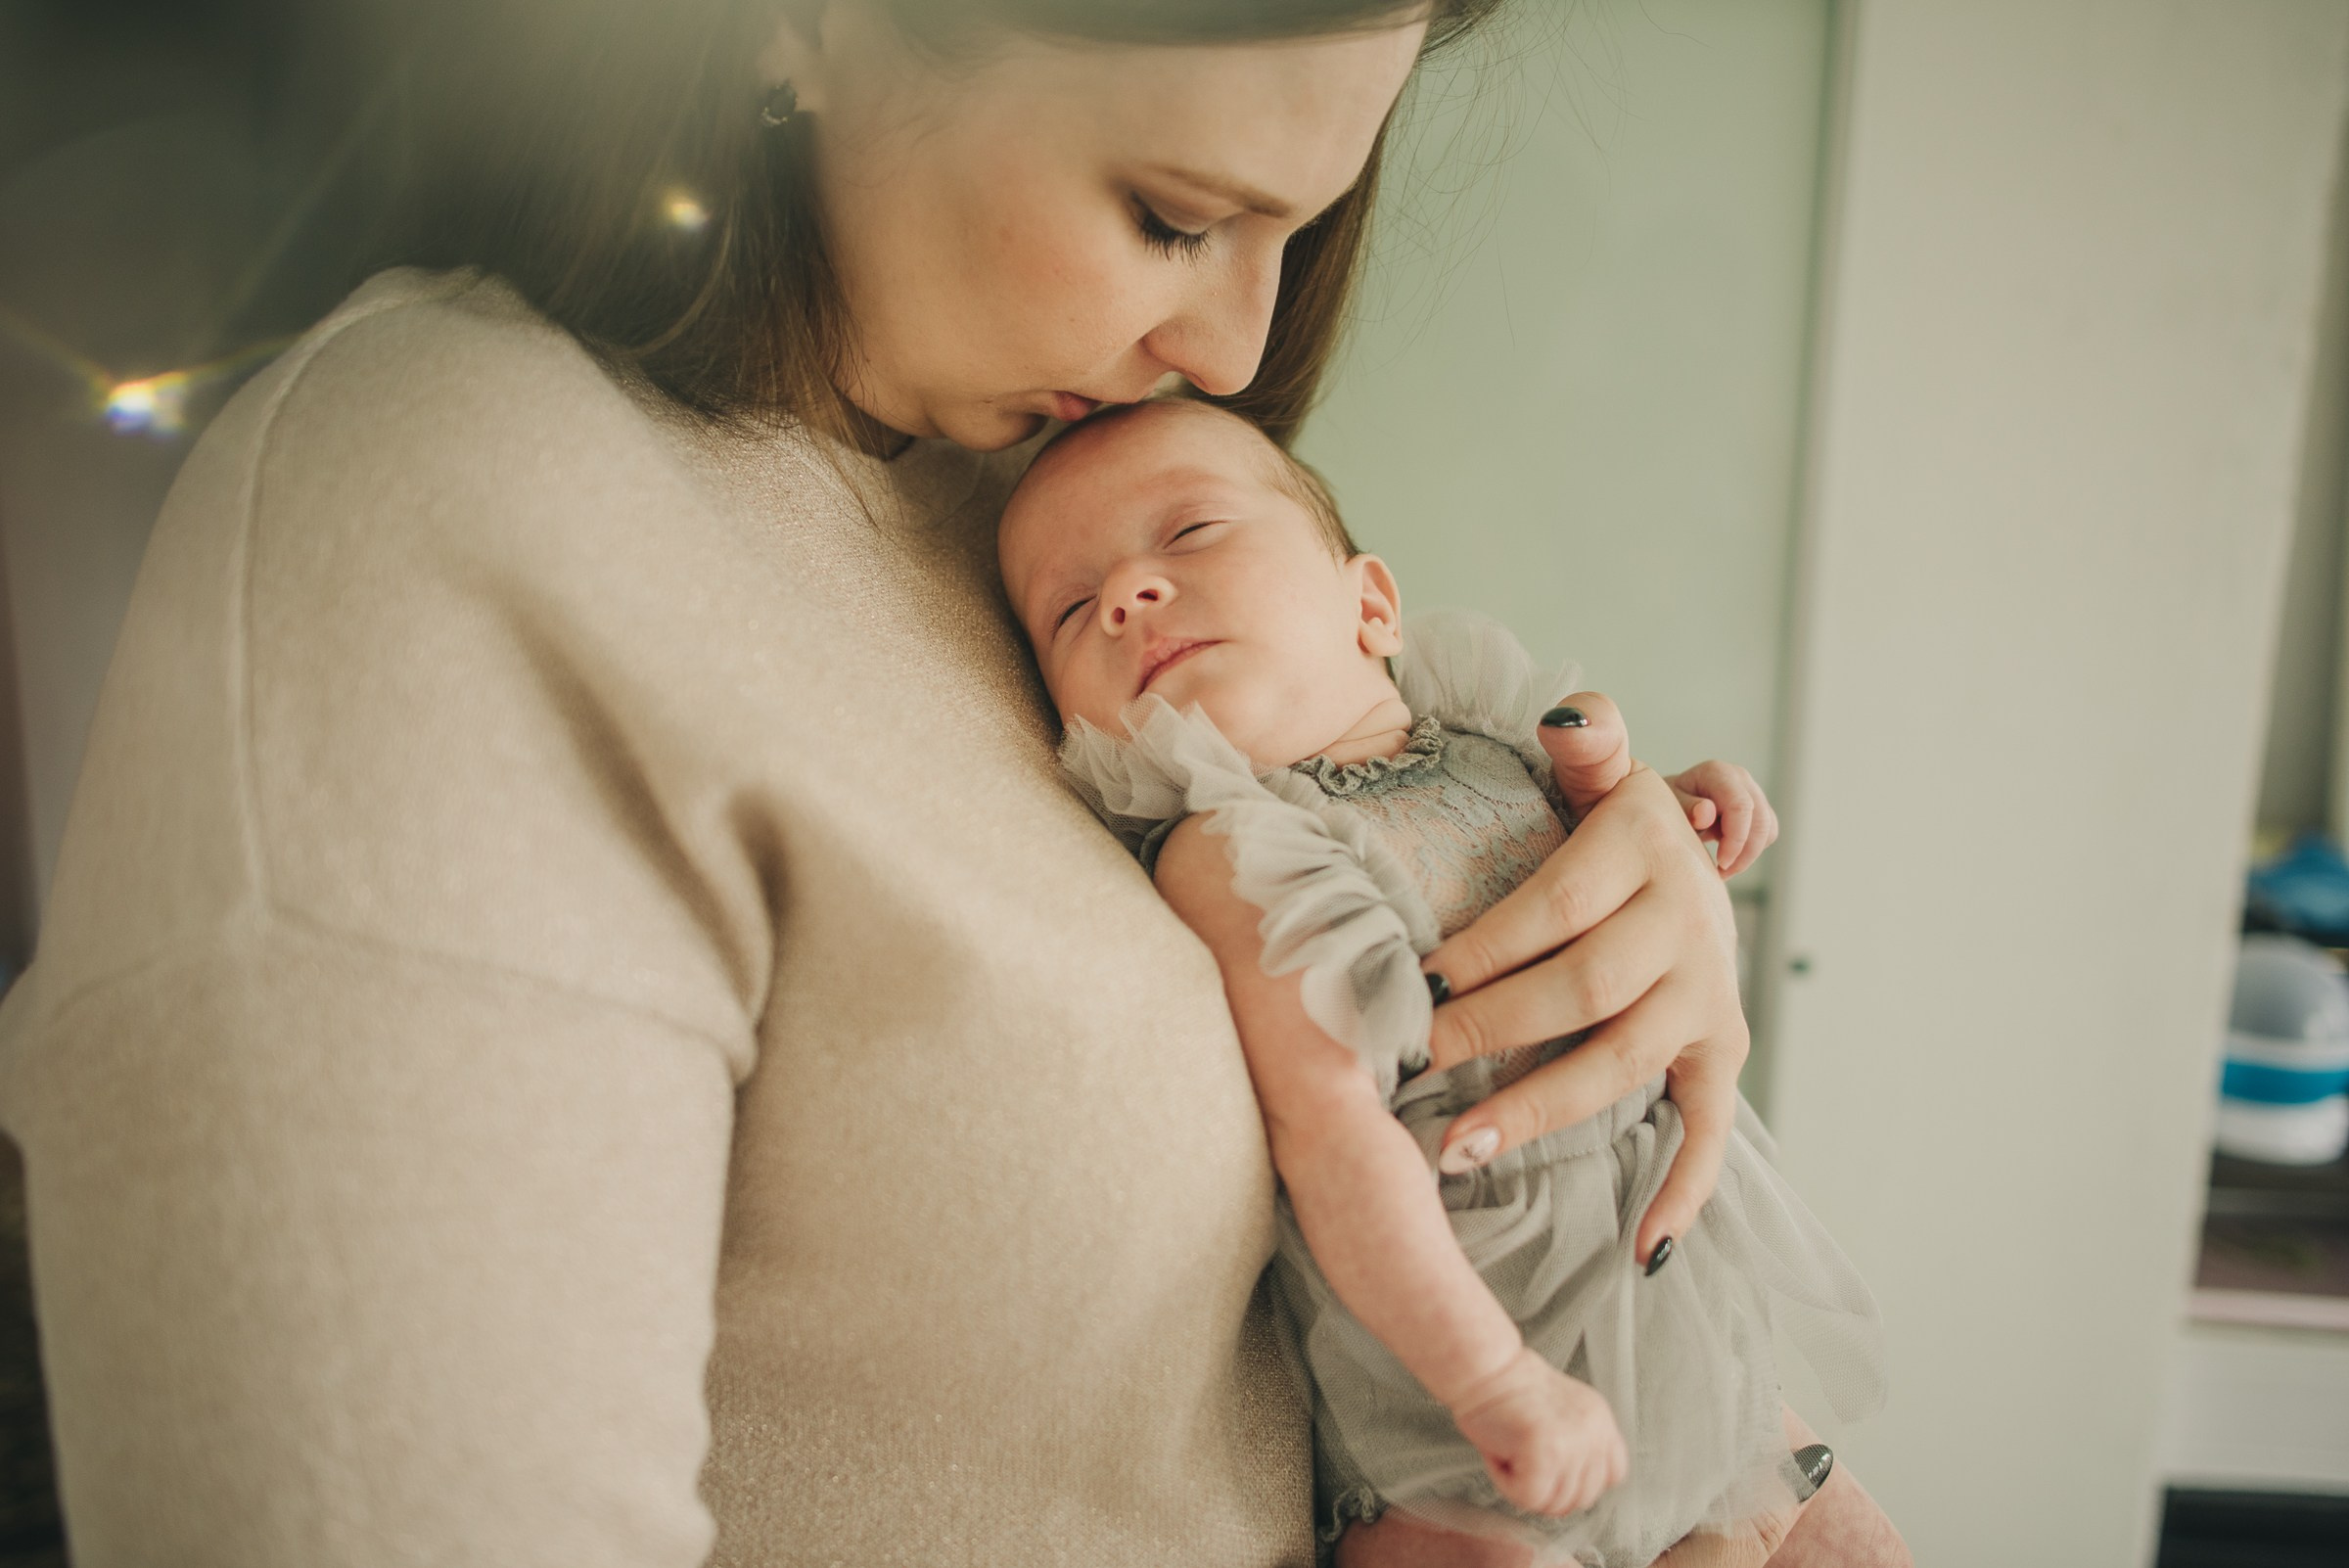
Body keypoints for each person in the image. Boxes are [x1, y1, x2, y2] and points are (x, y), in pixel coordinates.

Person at [0, 4, 1850, 1564]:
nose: (1232, 349)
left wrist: (1590, 923)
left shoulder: (1046, 510)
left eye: (1297, 228)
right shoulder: (438, 532)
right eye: (1170, 213)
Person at [999, 397, 1903, 1567]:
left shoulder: (1487, 737)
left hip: (1684, 1326)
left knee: (1858, 1545)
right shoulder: (1232, 847)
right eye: (1072, 609)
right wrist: (1492, 1380)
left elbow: (1604, 859)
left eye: (1191, 533)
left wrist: (1692, 806)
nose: (1128, 595)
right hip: (1463, 1420)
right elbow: (1330, 1139)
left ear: (1370, 604)